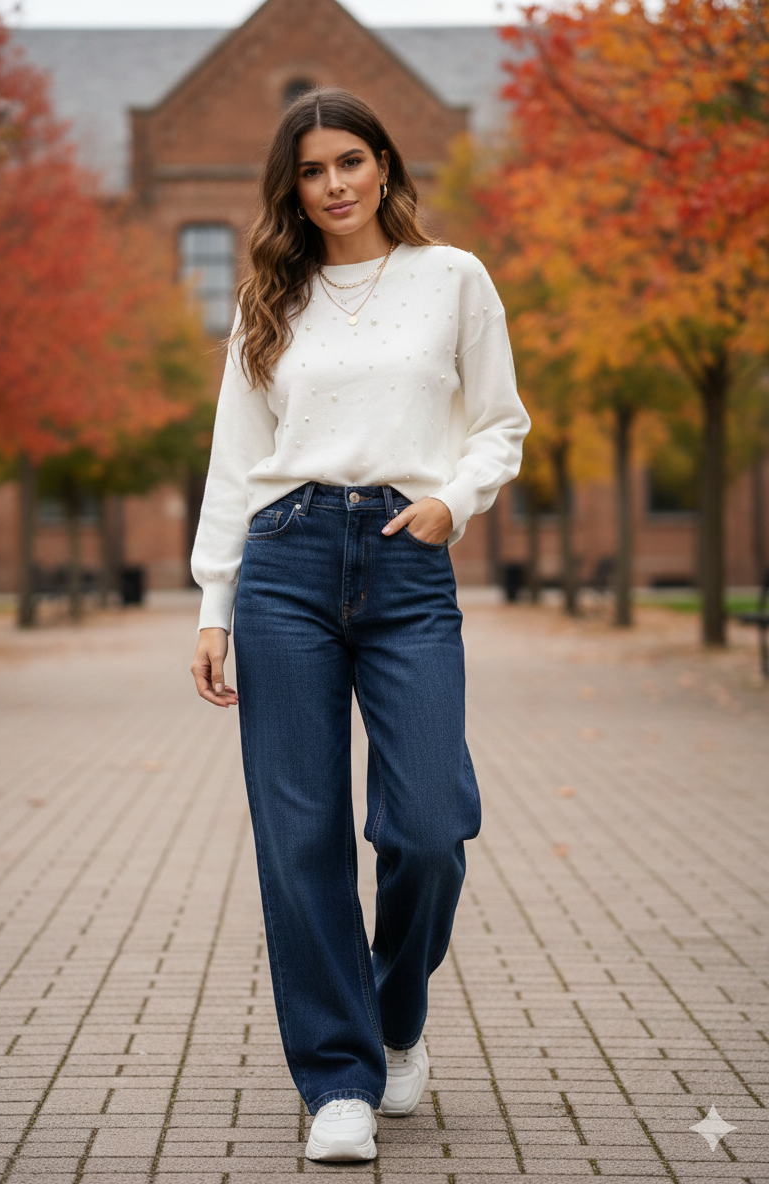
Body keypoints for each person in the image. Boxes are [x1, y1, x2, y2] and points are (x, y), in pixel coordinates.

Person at [190, 87, 530, 1163]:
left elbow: (501, 421)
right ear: (290, 187)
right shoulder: (271, 299)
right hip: (284, 560)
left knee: (428, 826)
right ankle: (339, 1078)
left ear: (384, 164)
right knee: (301, 836)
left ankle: (393, 1015)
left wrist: (455, 500)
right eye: (310, 170)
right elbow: (235, 458)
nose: (333, 184)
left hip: (405, 555)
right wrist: (213, 597)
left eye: (350, 161)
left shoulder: (453, 279)